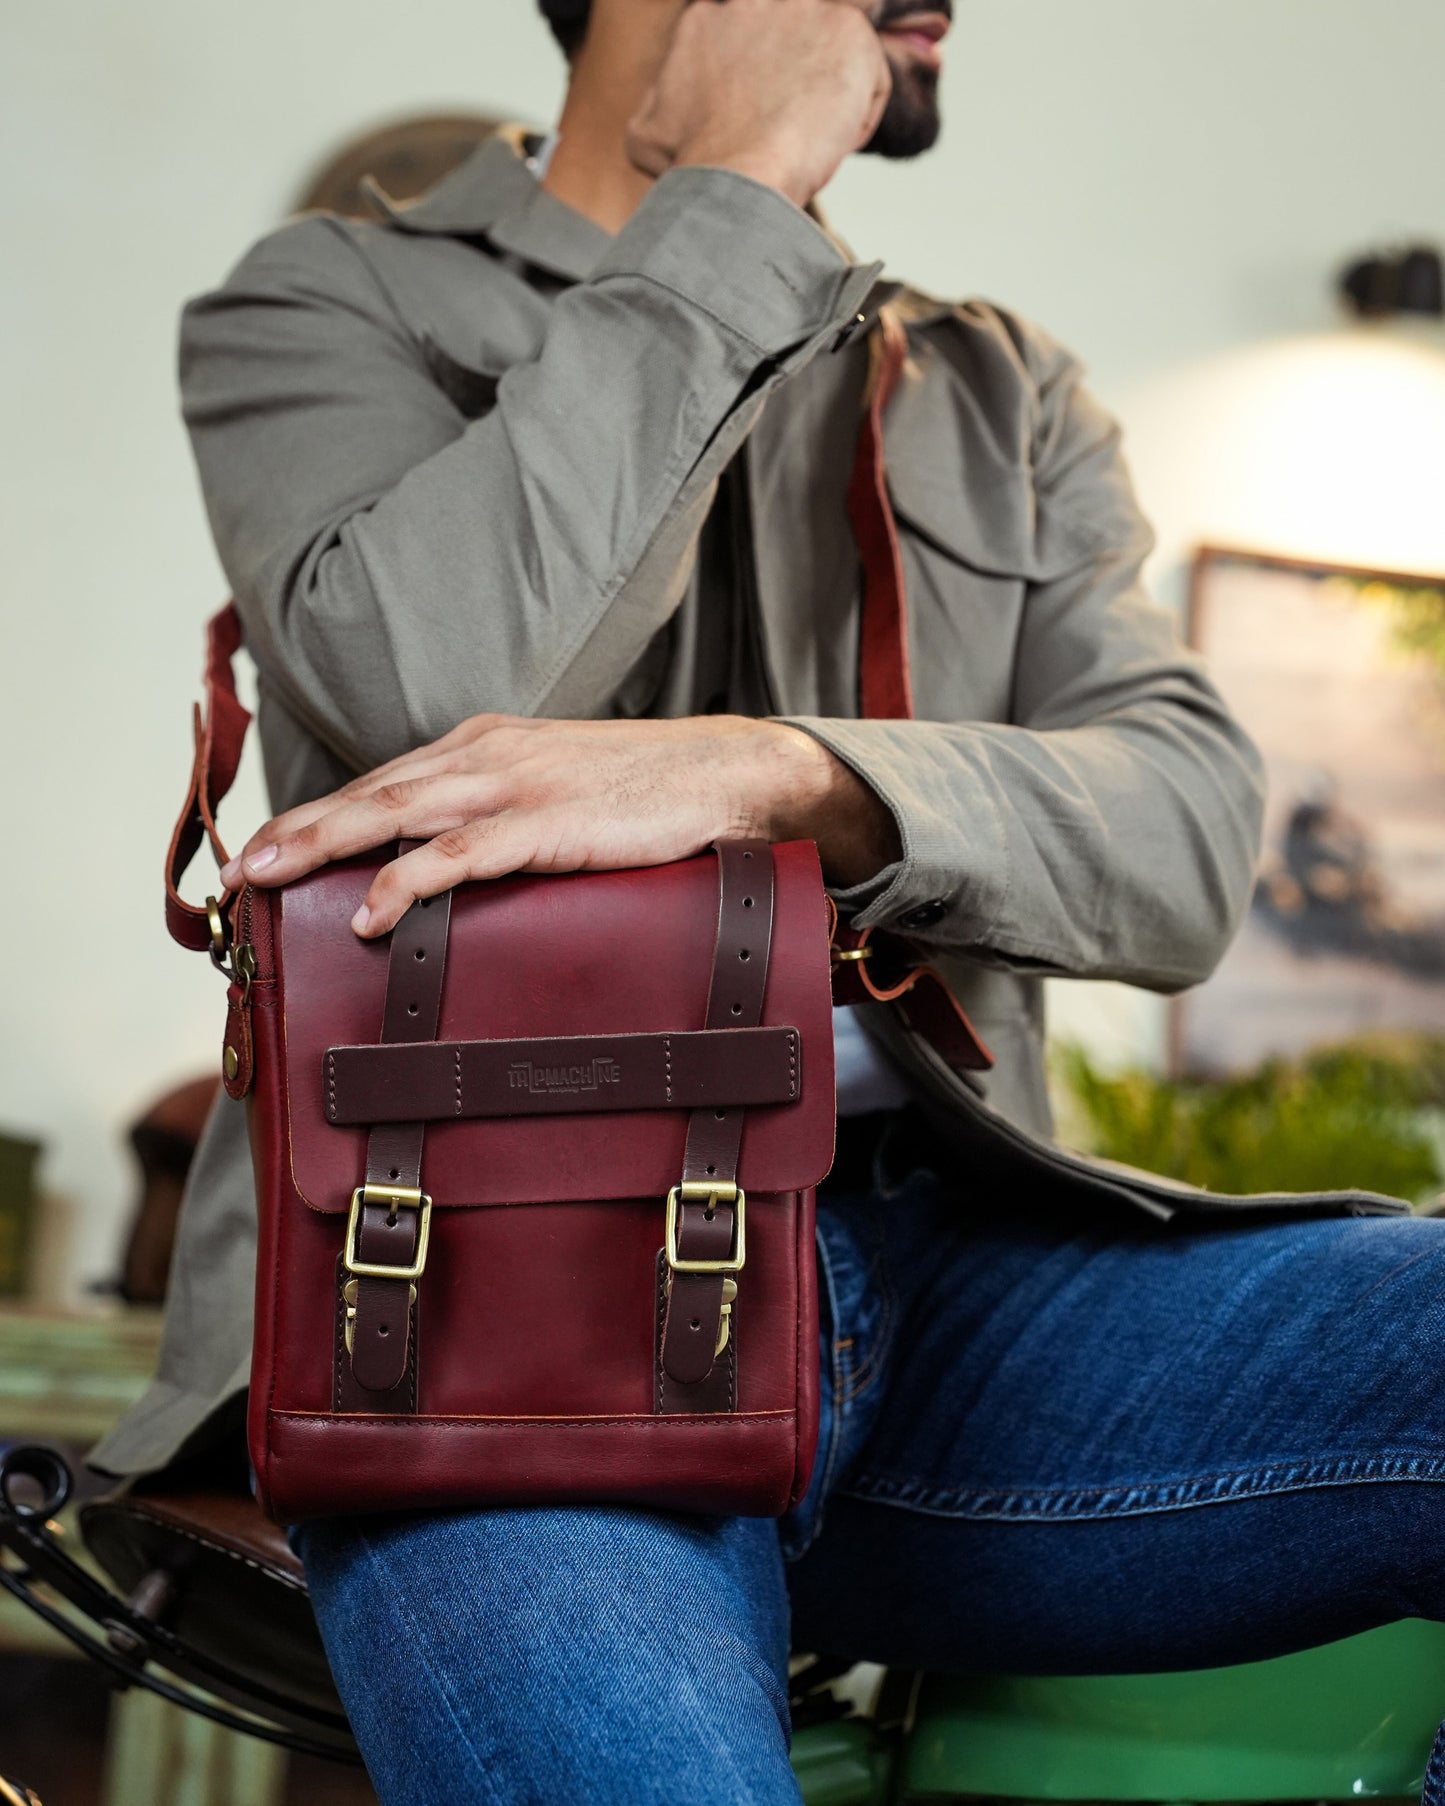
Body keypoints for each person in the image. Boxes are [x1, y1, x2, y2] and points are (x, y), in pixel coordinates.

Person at [94, 4, 1445, 1802]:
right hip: (486, 1311)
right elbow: (427, 684)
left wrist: (785, 766)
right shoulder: (330, 303)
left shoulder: (997, 388)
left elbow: (1189, 836)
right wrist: (733, 191)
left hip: (963, 1294)